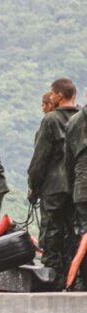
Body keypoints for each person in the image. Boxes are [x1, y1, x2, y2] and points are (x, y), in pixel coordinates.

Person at [28, 78, 81, 285]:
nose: (50, 97)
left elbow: (41, 157)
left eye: (52, 93)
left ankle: (52, 276)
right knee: (74, 231)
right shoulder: (82, 118)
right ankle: (73, 276)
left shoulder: (51, 120)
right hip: (76, 185)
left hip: (54, 186)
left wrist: (33, 184)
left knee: (52, 230)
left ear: (59, 95)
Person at [65, 96, 87, 288]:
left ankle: (83, 280)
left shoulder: (75, 121)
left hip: (82, 187)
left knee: (84, 233)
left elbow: (68, 159)